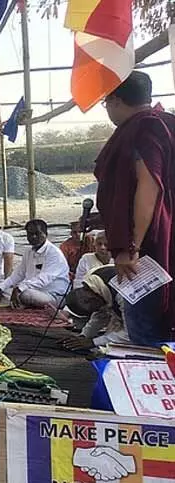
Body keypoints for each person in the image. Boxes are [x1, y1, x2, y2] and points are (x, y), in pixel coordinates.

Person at [96, 70, 175, 345]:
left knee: (147, 333)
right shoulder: (168, 123)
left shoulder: (145, 129)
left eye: (105, 102)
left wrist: (131, 246)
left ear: (116, 100)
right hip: (163, 238)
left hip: (151, 247)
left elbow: (149, 187)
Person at [0, 219, 70, 308]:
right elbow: (18, 274)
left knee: (25, 294)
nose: (33, 237)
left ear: (46, 234)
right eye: (30, 234)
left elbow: (43, 279)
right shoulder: (28, 252)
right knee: (0, 285)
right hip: (34, 290)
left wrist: (19, 289)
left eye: (37, 233)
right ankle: (21, 302)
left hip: (54, 295)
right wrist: (0, 288)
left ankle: (22, 302)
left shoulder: (54, 253)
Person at [60, 265, 127, 351]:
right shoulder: (94, 285)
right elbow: (100, 316)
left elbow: (132, 334)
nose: (99, 310)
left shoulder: (123, 296)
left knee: (112, 347)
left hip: (141, 321)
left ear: (91, 299)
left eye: (96, 307)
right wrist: (83, 336)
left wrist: (93, 342)